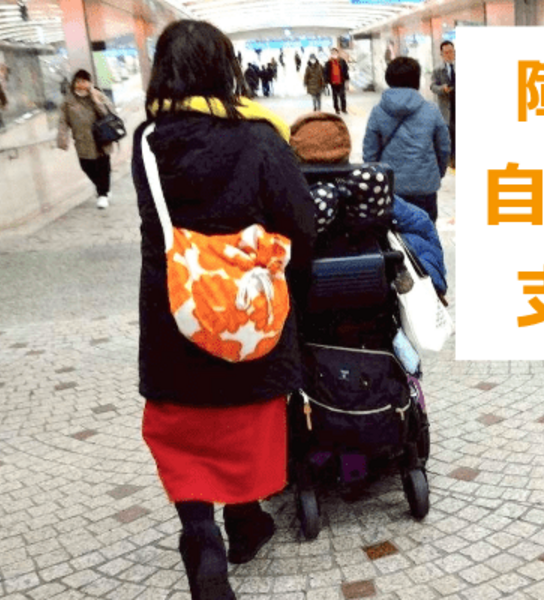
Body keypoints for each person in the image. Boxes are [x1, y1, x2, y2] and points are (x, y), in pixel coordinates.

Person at [132, 19, 316, 600]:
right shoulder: (259, 138)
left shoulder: (147, 141)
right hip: (246, 306)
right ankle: (244, 519)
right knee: (242, 420)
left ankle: (202, 537)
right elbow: (300, 222)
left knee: (184, 428)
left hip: (175, 308)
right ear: (224, 68)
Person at [363, 57, 450, 223]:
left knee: (394, 233)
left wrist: (376, 181)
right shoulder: (431, 109)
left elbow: (369, 153)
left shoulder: (378, 111)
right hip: (425, 186)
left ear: (389, 79)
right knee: (425, 231)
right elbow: (443, 148)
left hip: (390, 187)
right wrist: (436, 173)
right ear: (416, 80)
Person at [57, 69, 117, 210]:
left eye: (84, 81)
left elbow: (109, 114)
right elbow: (63, 121)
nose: (80, 84)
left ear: (90, 83)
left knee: (103, 167)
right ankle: (103, 188)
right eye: (78, 81)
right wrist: (62, 137)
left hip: (101, 139)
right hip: (82, 140)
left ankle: (102, 195)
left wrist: (95, 100)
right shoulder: (68, 101)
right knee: (86, 166)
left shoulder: (98, 95)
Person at [430, 40, 455, 169]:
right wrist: (442, 89)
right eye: (446, 52)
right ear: (441, 54)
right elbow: (432, 86)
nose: (449, 55)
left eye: (451, 52)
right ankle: (450, 160)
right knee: (449, 134)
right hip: (446, 108)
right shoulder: (437, 70)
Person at [324, 48, 349, 114]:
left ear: (338, 54)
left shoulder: (342, 61)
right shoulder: (328, 63)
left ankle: (343, 108)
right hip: (333, 82)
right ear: (331, 54)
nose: (334, 55)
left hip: (341, 81)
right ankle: (336, 109)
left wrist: (347, 78)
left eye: (335, 53)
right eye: (333, 53)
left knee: (342, 95)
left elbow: (346, 70)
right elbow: (325, 72)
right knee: (335, 96)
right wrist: (326, 81)